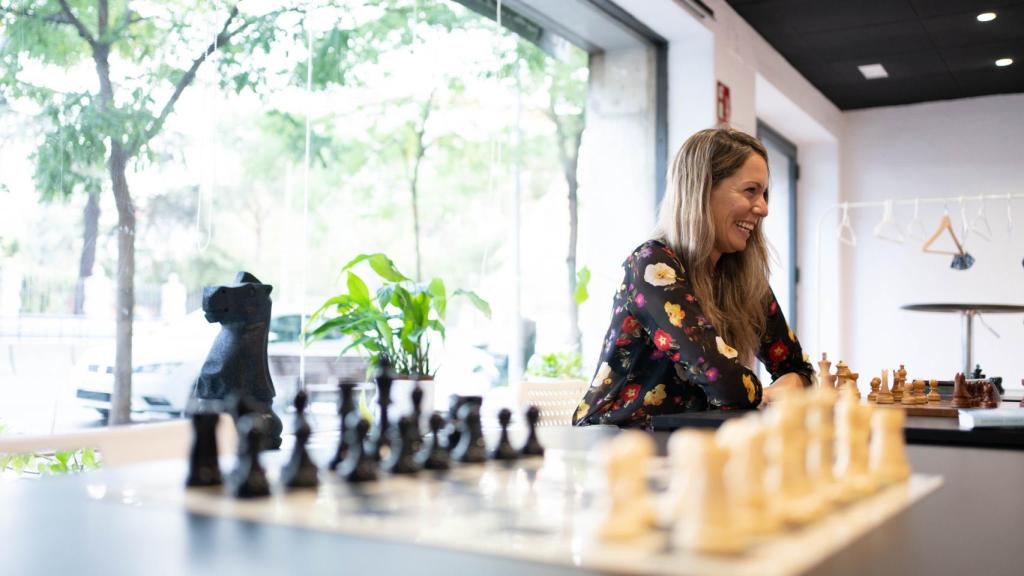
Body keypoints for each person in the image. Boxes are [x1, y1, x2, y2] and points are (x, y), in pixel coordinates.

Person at [573, 128, 813, 428]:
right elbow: (726, 384)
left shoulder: (742, 275)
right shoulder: (652, 265)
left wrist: (766, 391)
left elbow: (799, 371)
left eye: (764, 194)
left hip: (690, 441)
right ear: (702, 190)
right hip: (614, 441)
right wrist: (765, 393)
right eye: (751, 191)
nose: (763, 208)